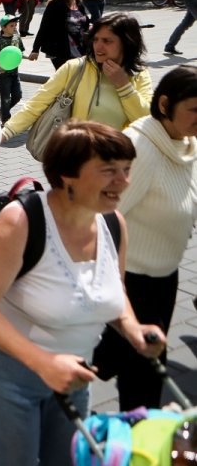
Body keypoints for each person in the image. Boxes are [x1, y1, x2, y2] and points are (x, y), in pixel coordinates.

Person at [0, 121, 166, 466]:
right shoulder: (22, 221)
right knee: (13, 460)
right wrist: (45, 363)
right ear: (68, 175)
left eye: (126, 170)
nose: (124, 181)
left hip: (74, 370)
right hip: (6, 371)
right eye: (109, 171)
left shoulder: (112, 222)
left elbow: (112, 290)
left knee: (63, 459)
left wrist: (133, 329)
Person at [92, 66, 197, 411]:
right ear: (165, 104)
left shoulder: (186, 143)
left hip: (163, 280)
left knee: (119, 365)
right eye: (195, 109)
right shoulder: (141, 148)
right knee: (142, 377)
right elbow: (104, 218)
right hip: (130, 284)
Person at [4, 13, 153, 142]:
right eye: (95, 39)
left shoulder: (139, 74)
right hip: (77, 163)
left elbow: (148, 122)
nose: (98, 46)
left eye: (107, 41)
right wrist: (4, 134)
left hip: (119, 166)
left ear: (127, 43)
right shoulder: (75, 68)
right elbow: (36, 104)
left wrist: (124, 86)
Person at [29, 0, 90, 69]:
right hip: (60, 49)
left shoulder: (79, 3)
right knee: (68, 78)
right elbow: (44, 28)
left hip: (79, 46)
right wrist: (35, 49)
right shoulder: (55, 5)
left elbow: (85, 23)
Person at [0, 15, 26, 125]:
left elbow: (19, 53)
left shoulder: (16, 38)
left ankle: (2, 110)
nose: (15, 27)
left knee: (18, 95)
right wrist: (0, 67)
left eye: (16, 25)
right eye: (11, 25)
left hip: (14, 73)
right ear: (3, 28)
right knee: (5, 97)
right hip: (3, 74)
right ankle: (5, 119)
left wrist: (29, 57)